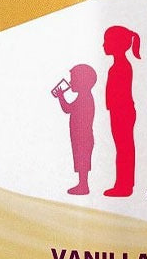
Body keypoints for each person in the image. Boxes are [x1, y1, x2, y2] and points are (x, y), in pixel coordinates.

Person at [102, 26, 140, 197]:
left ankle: (124, 186)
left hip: (122, 112)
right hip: (119, 111)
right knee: (123, 148)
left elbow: (120, 94)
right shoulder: (119, 65)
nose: (103, 45)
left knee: (124, 149)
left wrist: (115, 109)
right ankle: (124, 184)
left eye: (106, 41)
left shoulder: (121, 66)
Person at [52, 64, 97, 195]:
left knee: (82, 162)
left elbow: (67, 109)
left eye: (74, 79)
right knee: (81, 161)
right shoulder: (84, 97)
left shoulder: (84, 98)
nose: (71, 82)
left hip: (83, 138)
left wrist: (61, 96)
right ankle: (82, 184)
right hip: (81, 137)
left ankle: (83, 186)